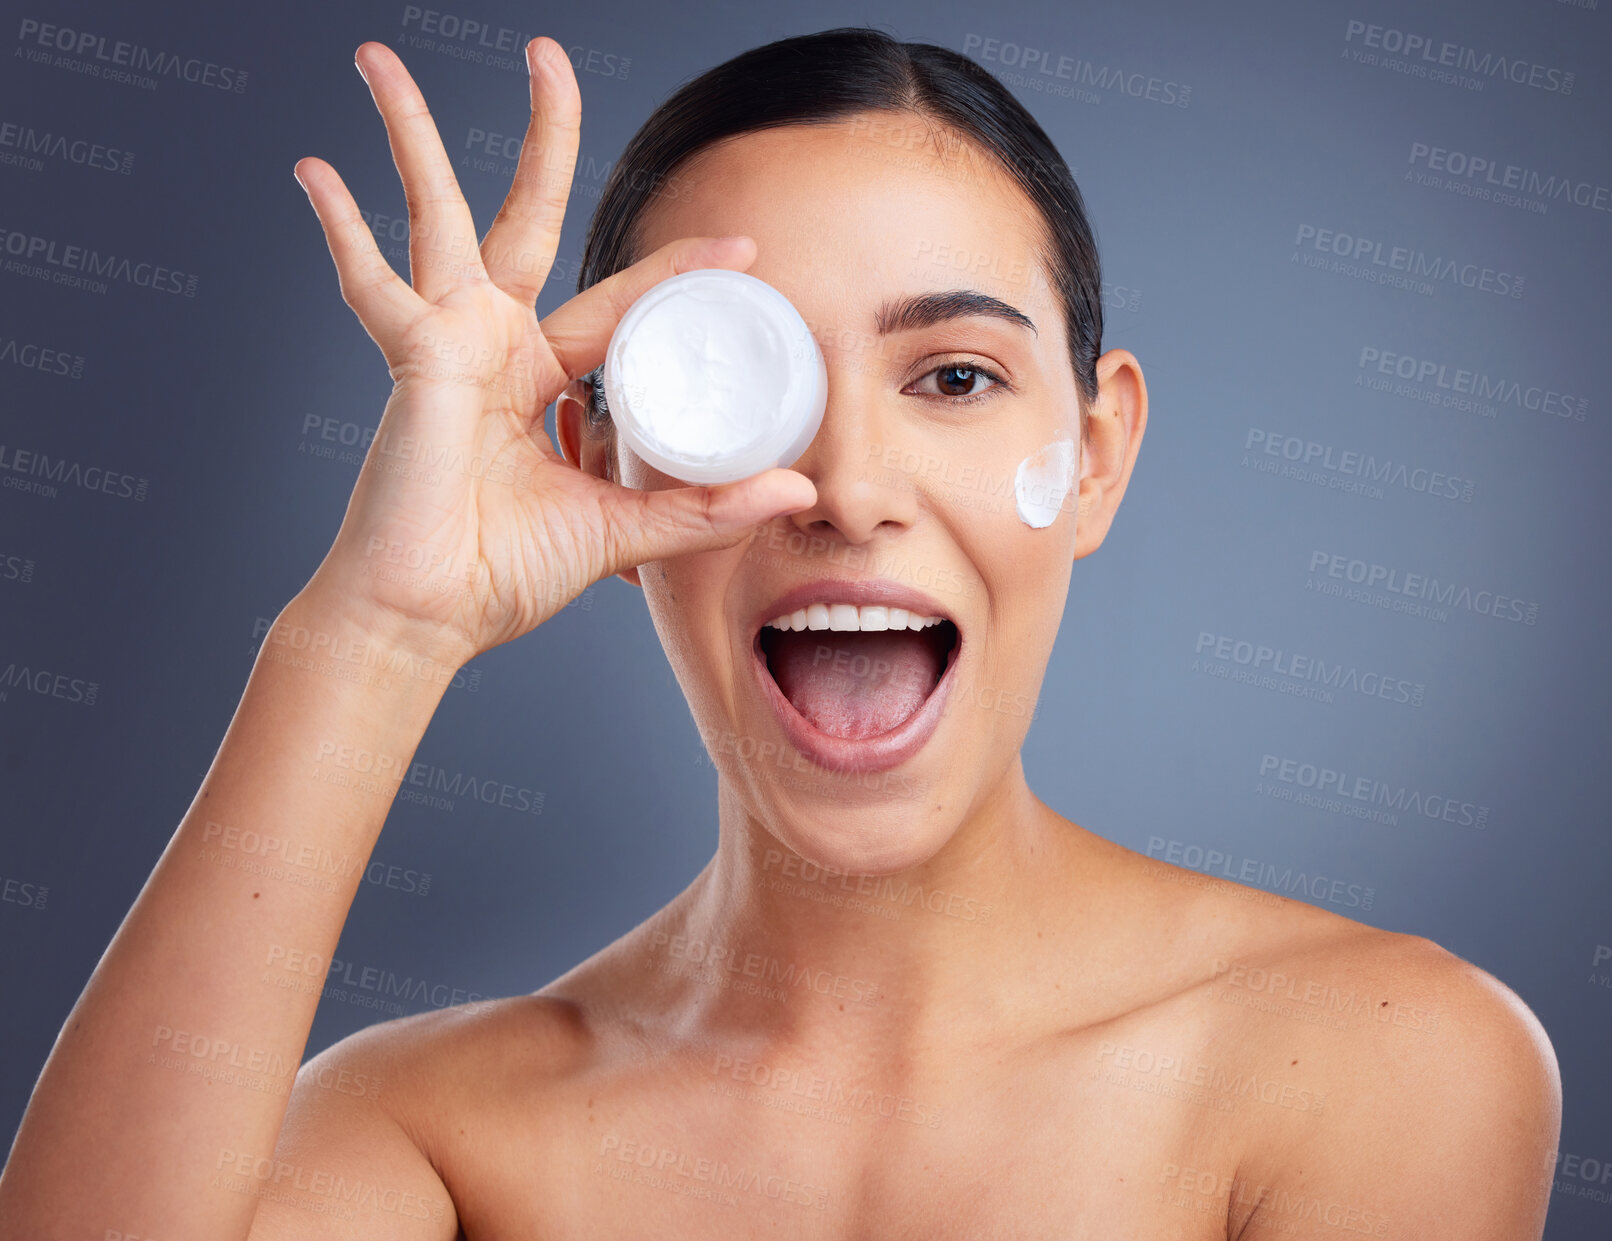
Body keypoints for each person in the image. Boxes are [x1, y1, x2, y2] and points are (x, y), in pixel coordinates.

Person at [0, 26, 1561, 1240]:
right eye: (748, 387)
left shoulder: (1377, 1057)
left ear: (1094, 454)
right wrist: (377, 628)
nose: (850, 490)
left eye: (953, 375)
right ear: (604, 455)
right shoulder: (434, 1130)